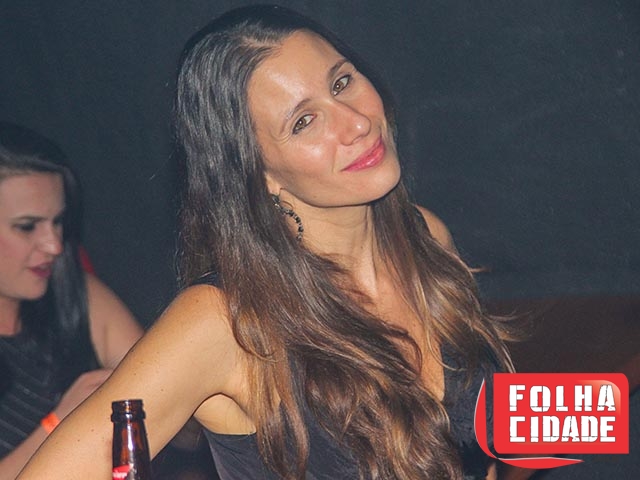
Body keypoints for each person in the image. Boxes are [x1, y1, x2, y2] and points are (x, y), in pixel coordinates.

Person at [17, 5, 515, 479]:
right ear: (260, 175)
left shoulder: (425, 237)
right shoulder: (226, 321)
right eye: (304, 122)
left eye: (342, 82)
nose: (357, 123)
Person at [0, 122, 143, 479]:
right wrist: (59, 423)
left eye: (58, 222)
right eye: (27, 226)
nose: (54, 245)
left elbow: (172, 401)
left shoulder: (77, 293)